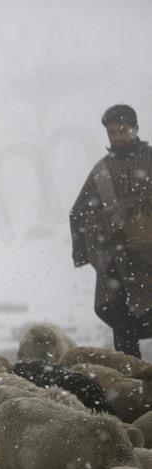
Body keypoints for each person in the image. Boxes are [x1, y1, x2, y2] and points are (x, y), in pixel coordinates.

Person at [70, 104, 152, 358]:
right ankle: (133, 386)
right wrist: (96, 246)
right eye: (112, 132)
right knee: (124, 334)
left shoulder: (150, 160)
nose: (117, 137)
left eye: (122, 130)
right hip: (116, 262)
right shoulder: (102, 170)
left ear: (135, 128)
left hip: (149, 259)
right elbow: (80, 212)